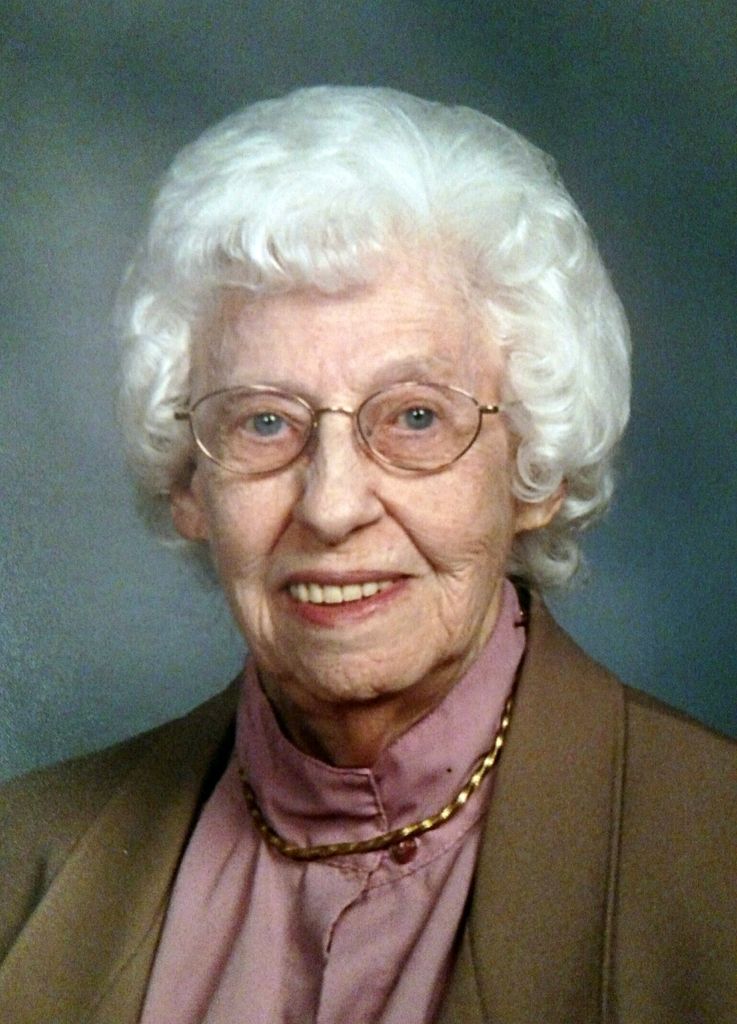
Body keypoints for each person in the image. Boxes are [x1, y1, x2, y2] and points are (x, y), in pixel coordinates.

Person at [1, 86, 735, 1024]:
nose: (332, 505)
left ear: (535, 469)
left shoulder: (716, 861)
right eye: (265, 422)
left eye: (415, 417)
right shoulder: (22, 860)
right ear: (190, 485)